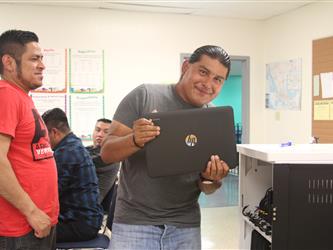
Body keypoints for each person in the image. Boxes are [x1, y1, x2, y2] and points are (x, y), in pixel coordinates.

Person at [101, 45, 231, 250]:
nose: (208, 84)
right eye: (203, 72)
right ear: (186, 66)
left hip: (185, 226)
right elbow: (107, 153)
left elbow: (207, 188)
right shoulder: (145, 95)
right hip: (135, 224)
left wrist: (211, 179)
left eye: (218, 79)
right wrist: (135, 139)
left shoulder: (212, 119)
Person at [0, 30, 59, 249]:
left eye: (42, 58)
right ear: (8, 62)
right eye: (34, 59)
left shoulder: (21, 97)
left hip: (38, 224)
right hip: (20, 228)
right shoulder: (5, 94)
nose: (42, 65)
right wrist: (32, 212)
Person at [41, 108, 103, 243]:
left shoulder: (66, 152)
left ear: (54, 132)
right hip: (87, 220)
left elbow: (50, 195)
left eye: (44, 135)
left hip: (79, 224)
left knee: (24, 233)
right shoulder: (74, 145)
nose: (43, 140)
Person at [86, 118, 120, 204]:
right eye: (97, 130)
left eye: (106, 132)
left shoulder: (110, 155)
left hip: (88, 206)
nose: (100, 134)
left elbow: (78, 161)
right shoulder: (88, 149)